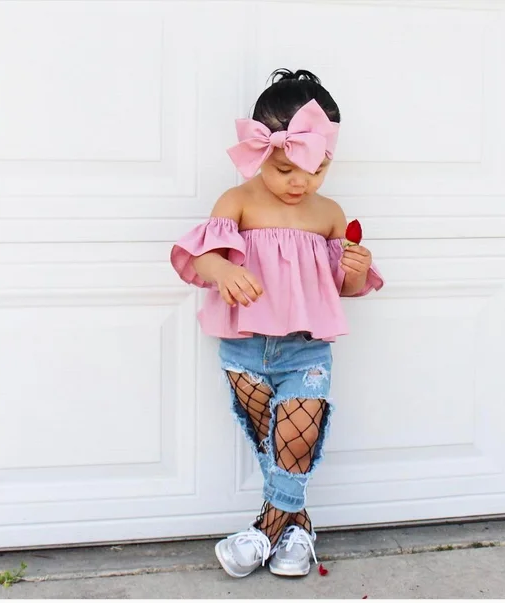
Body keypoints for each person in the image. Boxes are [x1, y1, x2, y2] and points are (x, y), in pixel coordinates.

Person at [170, 68, 384, 578]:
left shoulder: (328, 214)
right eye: (285, 168)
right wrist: (222, 269)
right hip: (245, 347)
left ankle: (263, 532)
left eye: (316, 169)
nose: (300, 182)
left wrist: (355, 269)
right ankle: (298, 527)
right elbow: (203, 257)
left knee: (297, 439)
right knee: (277, 445)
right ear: (261, 152)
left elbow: (342, 287)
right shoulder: (238, 201)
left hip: (306, 350)